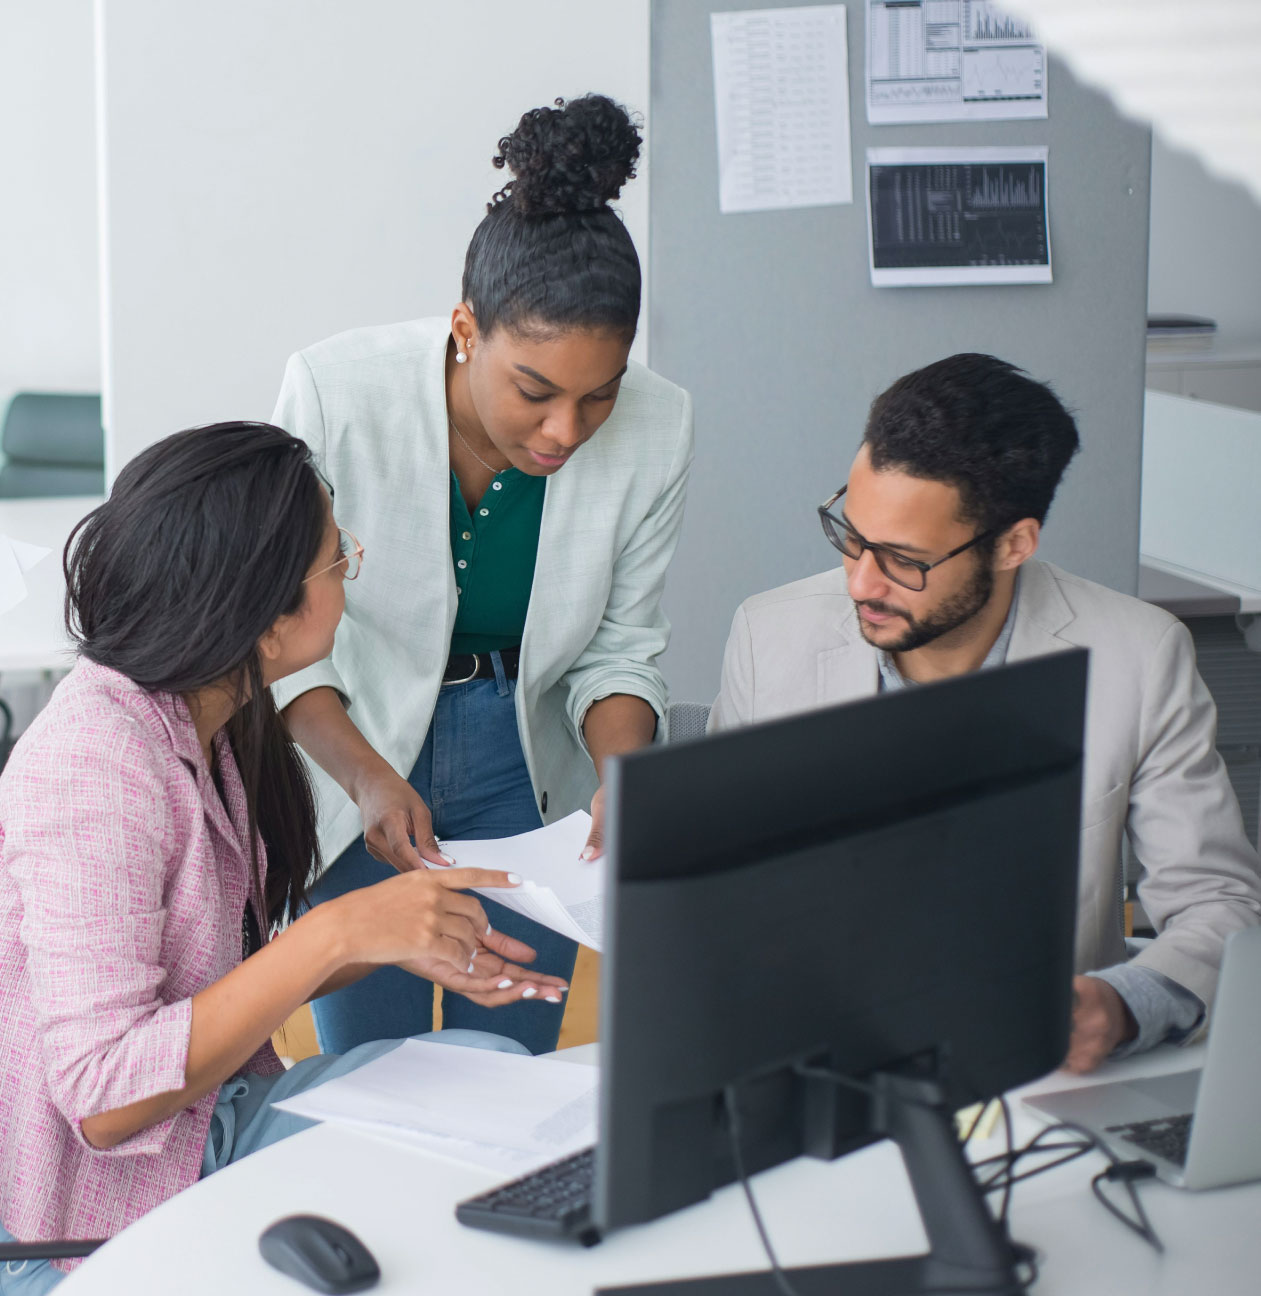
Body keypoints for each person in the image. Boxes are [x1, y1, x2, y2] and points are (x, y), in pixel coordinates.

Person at [0, 423, 566, 1290]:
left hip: (202, 1127)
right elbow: (107, 1102)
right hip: (93, 1222)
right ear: (266, 621)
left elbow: (210, 986)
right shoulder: (94, 766)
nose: (352, 576)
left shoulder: (209, 718)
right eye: (339, 562)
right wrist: (335, 936)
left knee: (495, 1074)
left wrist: (388, 940)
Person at [271, 93, 693, 1056]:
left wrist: (626, 777)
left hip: (525, 769)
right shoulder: (338, 393)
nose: (565, 432)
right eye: (535, 392)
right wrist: (370, 779)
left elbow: (622, 647)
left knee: (505, 1056)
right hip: (355, 745)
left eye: (600, 396)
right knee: (366, 1068)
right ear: (466, 327)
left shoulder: (661, 426)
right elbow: (277, 637)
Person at [709, 353, 1261, 1074]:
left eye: (903, 560)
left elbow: (1218, 905)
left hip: (1033, 1074)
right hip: (812, 1063)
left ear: (1012, 544)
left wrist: (1122, 1006)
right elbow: (716, 881)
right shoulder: (769, 635)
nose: (859, 581)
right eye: (850, 535)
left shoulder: (1139, 655)